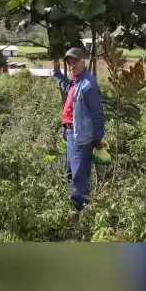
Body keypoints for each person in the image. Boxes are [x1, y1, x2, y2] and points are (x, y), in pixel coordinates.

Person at [52, 47, 105, 212]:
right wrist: (56, 72)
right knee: (70, 171)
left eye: (75, 62)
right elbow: (68, 87)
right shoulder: (77, 81)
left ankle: (80, 211)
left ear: (83, 62)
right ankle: (75, 205)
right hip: (70, 133)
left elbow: (97, 114)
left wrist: (97, 139)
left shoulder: (88, 85)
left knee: (78, 175)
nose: (71, 66)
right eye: (69, 63)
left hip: (81, 137)